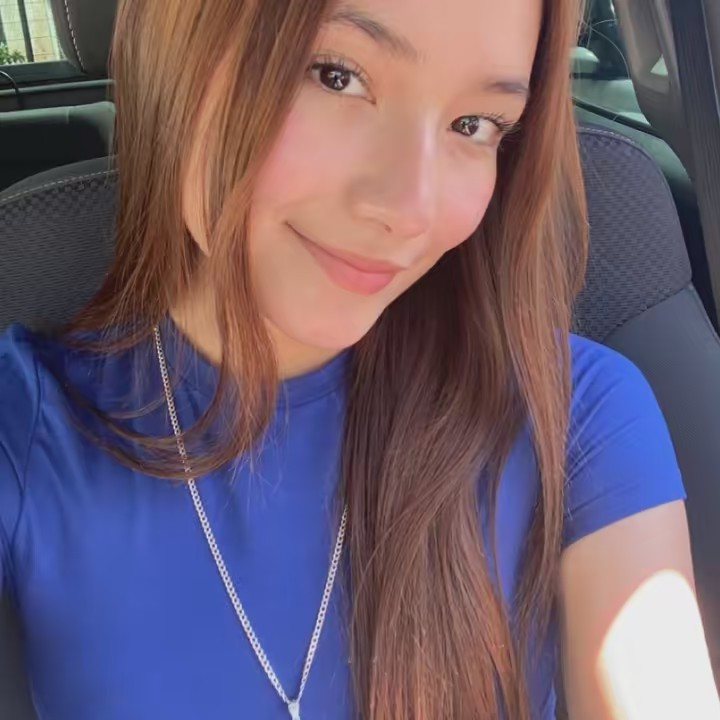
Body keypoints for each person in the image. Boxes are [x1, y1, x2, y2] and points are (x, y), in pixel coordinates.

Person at [0, 0, 718, 718]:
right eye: (335, 75)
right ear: (176, 44)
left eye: (474, 125)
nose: (409, 208)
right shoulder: (26, 429)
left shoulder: (576, 415)